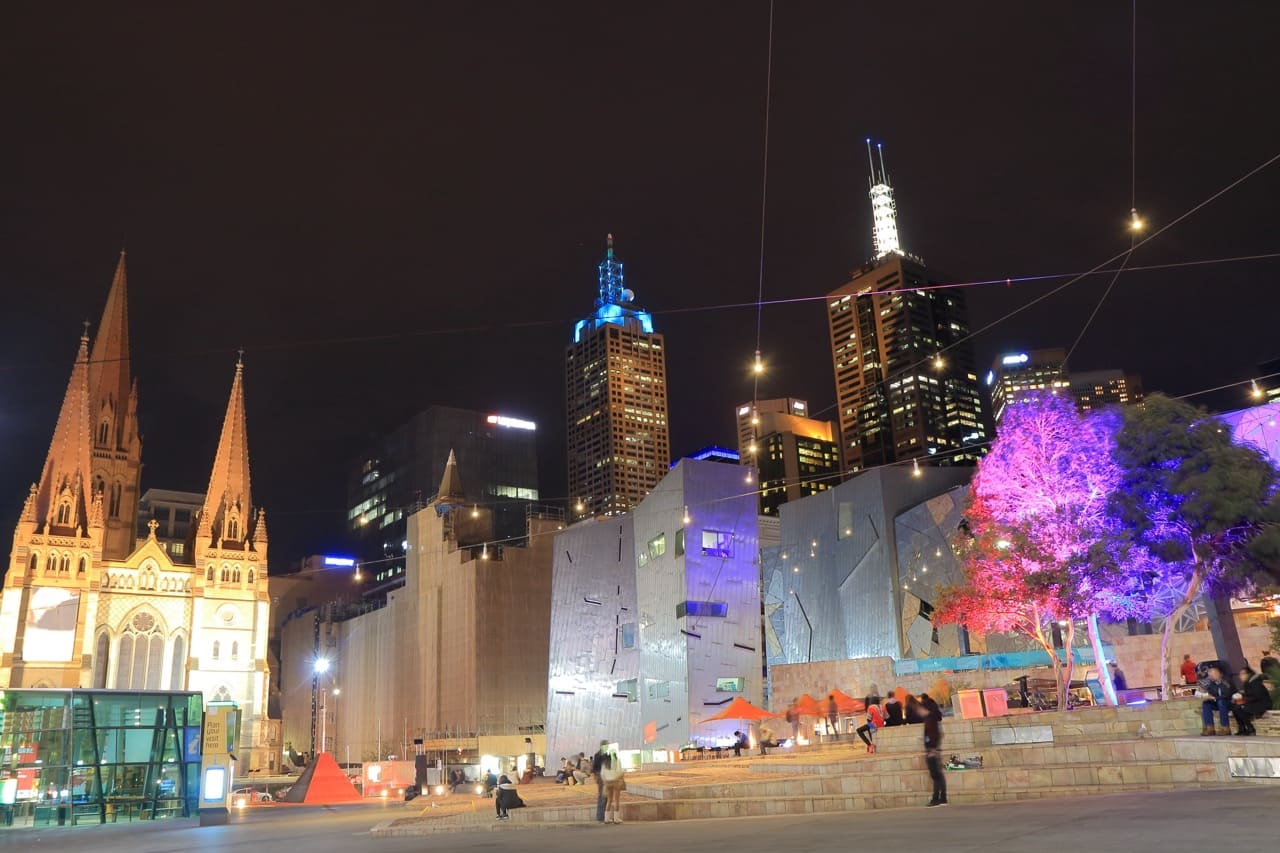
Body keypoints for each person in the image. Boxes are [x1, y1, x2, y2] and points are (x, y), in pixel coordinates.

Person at [920, 693, 947, 807]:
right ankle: (942, 798)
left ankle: (936, 798)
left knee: (936, 776)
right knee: (938, 775)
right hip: (933, 749)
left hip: (932, 751)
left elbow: (934, 735)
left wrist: (932, 749)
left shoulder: (930, 720)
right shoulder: (932, 718)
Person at [1232, 666, 1270, 736]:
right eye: (1240, 674)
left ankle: (1250, 728)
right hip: (1252, 702)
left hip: (1261, 703)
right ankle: (1242, 728)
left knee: (1241, 708)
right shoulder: (1247, 683)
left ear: (1248, 674)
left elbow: (1257, 696)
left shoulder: (1256, 682)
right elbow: (1246, 693)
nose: (1240, 676)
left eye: (1242, 674)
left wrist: (1244, 700)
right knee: (1235, 708)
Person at [1198, 665, 1234, 736]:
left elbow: (1227, 695)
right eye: (1209, 674)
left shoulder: (1226, 681)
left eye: (1212, 674)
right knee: (1206, 703)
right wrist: (1207, 695)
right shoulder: (1212, 684)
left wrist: (1215, 698)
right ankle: (1210, 728)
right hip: (1218, 702)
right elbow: (1211, 693)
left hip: (1229, 702)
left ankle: (1225, 728)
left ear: (1219, 673)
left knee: (1221, 702)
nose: (1210, 676)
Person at [599, 751, 626, 824]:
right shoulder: (617, 761)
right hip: (616, 782)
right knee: (616, 800)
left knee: (609, 800)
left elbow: (602, 774)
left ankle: (607, 819)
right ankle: (616, 819)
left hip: (608, 783)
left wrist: (605, 782)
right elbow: (621, 772)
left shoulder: (604, 764)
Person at [590, 740, 610, 823]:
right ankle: (600, 817)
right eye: (607, 745)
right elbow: (595, 768)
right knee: (602, 796)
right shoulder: (599, 755)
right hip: (601, 777)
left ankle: (605, 816)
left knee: (606, 797)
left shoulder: (606, 754)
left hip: (605, 776)